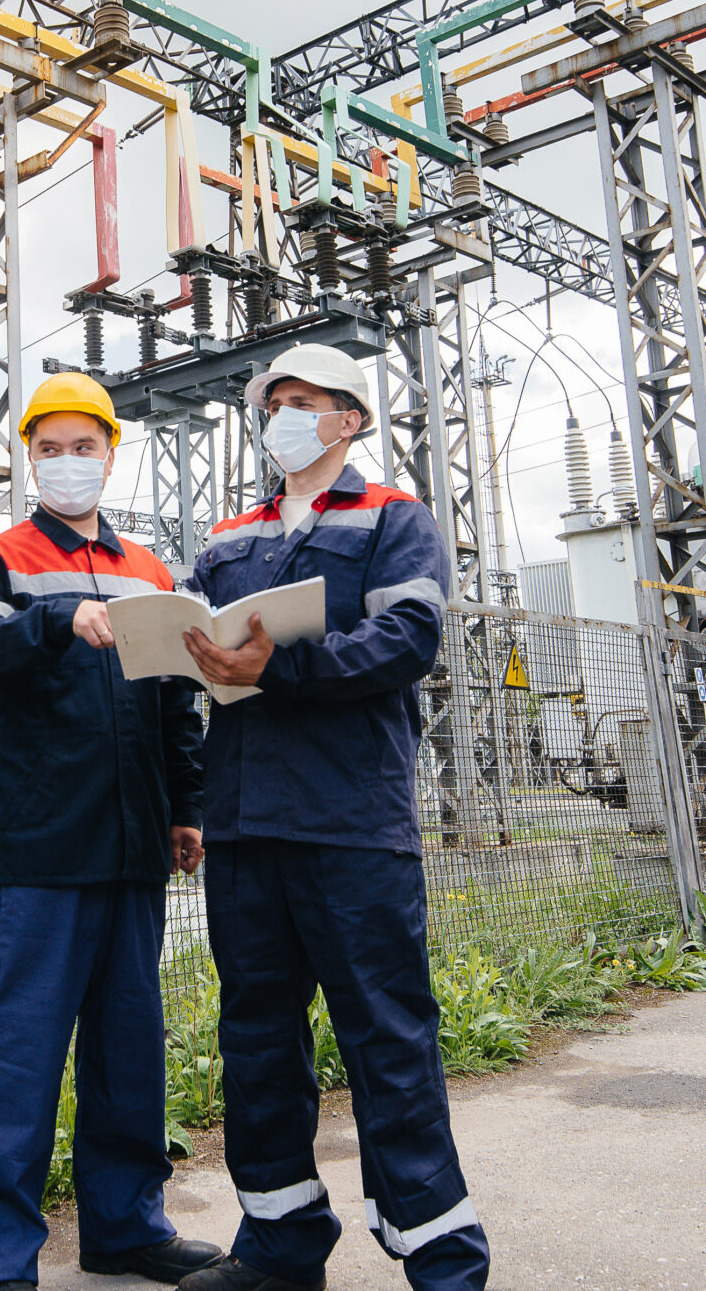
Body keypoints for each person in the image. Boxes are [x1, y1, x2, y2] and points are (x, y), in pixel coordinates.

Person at [171, 343, 489, 1291]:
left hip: (352, 823)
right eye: (276, 402)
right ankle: (277, 1247)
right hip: (243, 824)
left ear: (350, 418)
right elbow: (201, 660)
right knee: (257, 1040)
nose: (286, 416)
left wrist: (283, 666)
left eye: (306, 402)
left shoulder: (395, 519)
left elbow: (407, 640)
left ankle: (442, 1259)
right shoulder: (228, 540)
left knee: (386, 1037)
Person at [0, 371, 226, 1291]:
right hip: (40, 850)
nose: (69, 462)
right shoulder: (1, 555)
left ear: (112, 452)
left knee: (128, 1047)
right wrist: (61, 618)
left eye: (85, 446)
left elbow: (177, 705)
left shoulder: (150, 570)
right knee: (23, 1056)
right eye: (51, 447)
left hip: (133, 846)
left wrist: (184, 807)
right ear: (31, 457)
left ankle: (124, 1227)